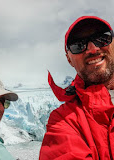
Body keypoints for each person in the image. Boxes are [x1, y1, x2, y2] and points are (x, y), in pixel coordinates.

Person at [39, 16, 114, 160]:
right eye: (78, 45)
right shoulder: (64, 120)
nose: (93, 49)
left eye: (102, 38)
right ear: (69, 59)